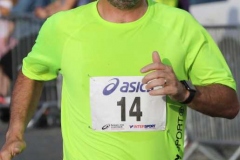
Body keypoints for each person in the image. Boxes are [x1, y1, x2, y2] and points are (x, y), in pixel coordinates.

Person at [0, 0, 239, 159]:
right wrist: (15, 132)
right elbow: (32, 72)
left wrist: (185, 92)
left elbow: (230, 104)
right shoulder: (63, 26)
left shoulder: (181, 25)